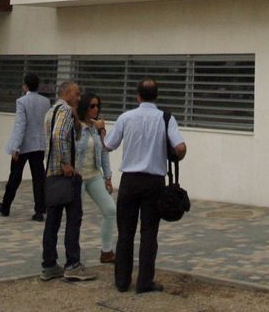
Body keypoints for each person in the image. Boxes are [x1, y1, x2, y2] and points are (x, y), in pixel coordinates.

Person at [102, 77, 186, 295]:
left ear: (137, 96)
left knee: (125, 232)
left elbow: (108, 145)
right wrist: (174, 155)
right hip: (154, 182)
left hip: (130, 180)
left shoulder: (126, 117)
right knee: (149, 233)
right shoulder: (166, 118)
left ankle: (122, 281)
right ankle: (145, 281)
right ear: (156, 96)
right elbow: (180, 147)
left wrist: (102, 131)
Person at [38, 80, 95, 283]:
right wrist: (66, 162)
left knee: (52, 222)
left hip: (51, 174)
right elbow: (59, 136)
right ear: (68, 93)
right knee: (73, 219)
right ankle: (73, 264)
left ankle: (49, 265)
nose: (79, 98)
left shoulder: (50, 112)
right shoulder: (65, 111)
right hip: (66, 175)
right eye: (76, 94)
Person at [0, 73, 51, 221]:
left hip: (24, 145)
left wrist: (15, 147)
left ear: (25, 86)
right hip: (39, 144)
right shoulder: (46, 102)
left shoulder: (21, 101)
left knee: (15, 176)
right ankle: (40, 210)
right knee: (39, 178)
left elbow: (20, 125)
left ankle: (6, 206)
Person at [75, 90, 116, 264]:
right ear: (84, 107)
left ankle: (106, 251)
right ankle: (73, 256)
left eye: (98, 106)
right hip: (77, 176)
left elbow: (104, 151)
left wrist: (108, 177)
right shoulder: (76, 126)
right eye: (92, 106)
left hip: (93, 174)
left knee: (110, 209)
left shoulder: (96, 128)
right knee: (76, 215)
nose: (96, 109)